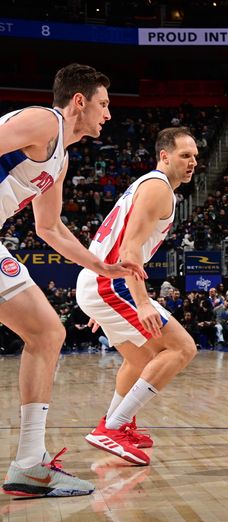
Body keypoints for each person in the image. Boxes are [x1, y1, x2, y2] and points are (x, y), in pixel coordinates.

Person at [0, 64, 145, 497]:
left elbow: (50, 229)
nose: (108, 114)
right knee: (45, 332)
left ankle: (30, 463)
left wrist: (103, 266)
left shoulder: (59, 157)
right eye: (103, 104)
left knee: (46, 333)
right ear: (78, 101)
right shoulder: (44, 121)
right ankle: (29, 463)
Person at [76, 127, 199, 466]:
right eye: (185, 155)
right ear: (164, 156)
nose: (192, 163)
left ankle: (118, 423)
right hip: (110, 282)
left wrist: (100, 301)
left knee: (140, 360)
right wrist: (141, 302)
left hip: (101, 283)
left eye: (195, 157)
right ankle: (112, 428)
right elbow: (130, 248)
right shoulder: (159, 188)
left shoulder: (149, 185)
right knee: (182, 348)